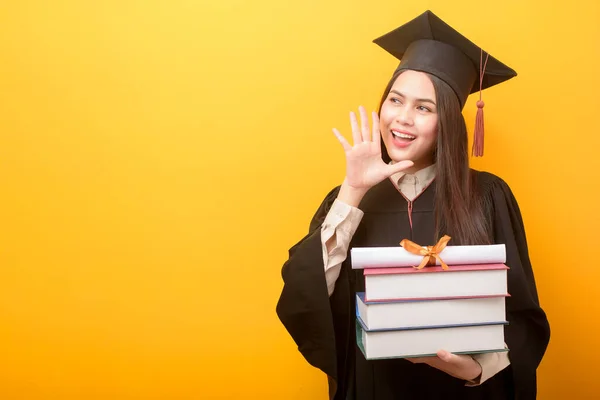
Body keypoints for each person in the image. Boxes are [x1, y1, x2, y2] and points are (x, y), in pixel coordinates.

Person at [276, 9, 550, 400]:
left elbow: (522, 316)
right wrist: (352, 190)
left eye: (424, 107)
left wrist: (475, 369)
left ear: (448, 122)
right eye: (395, 100)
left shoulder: (488, 195)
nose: (402, 119)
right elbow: (305, 299)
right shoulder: (351, 200)